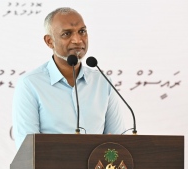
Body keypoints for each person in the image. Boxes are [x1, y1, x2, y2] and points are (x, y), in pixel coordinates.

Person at [12, 7, 125, 149]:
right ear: (49, 41)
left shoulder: (103, 82)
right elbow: (27, 149)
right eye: (67, 34)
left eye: (82, 32)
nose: (77, 40)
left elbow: (119, 142)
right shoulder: (30, 84)